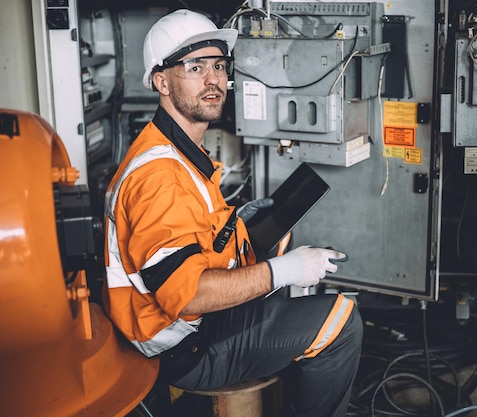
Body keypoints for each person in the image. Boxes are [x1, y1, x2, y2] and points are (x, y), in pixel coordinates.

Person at [103, 9, 363, 417]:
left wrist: (238, 224)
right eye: (194, 66)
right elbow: (186, 293)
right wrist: (284, 272)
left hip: (193, 326)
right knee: (340, 321)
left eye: (219, 65)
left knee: (276, 238)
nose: (213, 80)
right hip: (182, 345)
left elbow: (191, 234)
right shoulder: (159, 176)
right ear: (161, 81)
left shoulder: (177, 151)